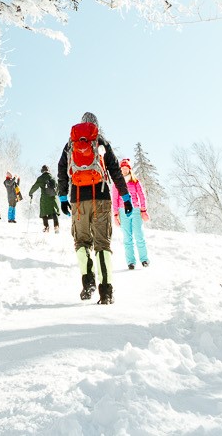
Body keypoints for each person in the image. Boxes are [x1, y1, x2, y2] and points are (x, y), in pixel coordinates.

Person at [57, 111, 130, 304]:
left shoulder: (70, 144)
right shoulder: (101, 142)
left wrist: (63, 196)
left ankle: (87, 283)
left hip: (78, 200)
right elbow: (114, 169)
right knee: (102, 244)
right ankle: (106, 292)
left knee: (81, 243)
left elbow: (62, 170)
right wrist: (126, 196)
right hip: (102, 198)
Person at [116, 158, 150, 270]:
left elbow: (141, 195)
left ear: (129, 169)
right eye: (122, 168)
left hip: (135, 210)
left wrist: (143, 209)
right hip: (122, 210)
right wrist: (116, 214)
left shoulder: (135, 182)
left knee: (138, 234)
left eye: (126, 168)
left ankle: (144, 259)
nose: (124, 170)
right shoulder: (117, 183)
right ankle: (131, 262)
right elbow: (114, 198)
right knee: (127, 237)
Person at [30, 165, 60, 233]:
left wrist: (30, 193)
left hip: (44, 198)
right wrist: (57, 193)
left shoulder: (40, 178)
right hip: (53, 197)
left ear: (42, 171)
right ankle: (56, 226)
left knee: (44, 212)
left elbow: (35, 186)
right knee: (54, 211)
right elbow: (58, 187)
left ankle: (46, 227)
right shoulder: (53, 177)